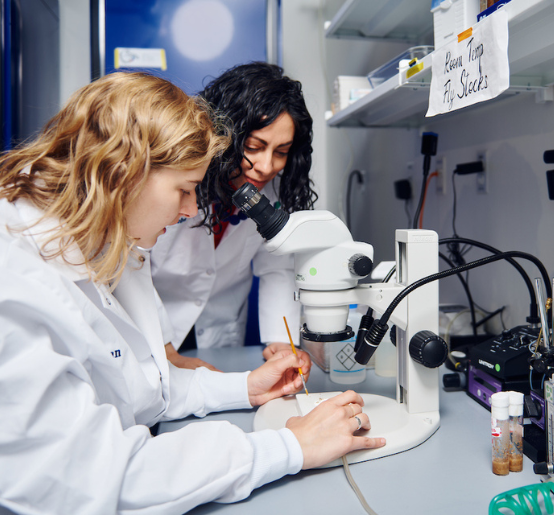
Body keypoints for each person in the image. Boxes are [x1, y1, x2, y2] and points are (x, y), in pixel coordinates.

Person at [0, 71, 385, 514]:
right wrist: (288, 447)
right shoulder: (19, 281)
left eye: (280, 152)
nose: (189, 210)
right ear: (123, 171)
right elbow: (92, 479)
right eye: (184, 190)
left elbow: (144, 386)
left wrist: (245, 386)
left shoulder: (108, 231)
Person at [150, 62, 317, 371]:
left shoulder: (273, 191)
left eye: (281, 152)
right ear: (225, 134)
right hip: (156, 328)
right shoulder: (177, 181)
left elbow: (277, 268)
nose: (266, 166)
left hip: (219, 333)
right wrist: (162, 345)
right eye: (254, 147)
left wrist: (282, 343)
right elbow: (134, 265)